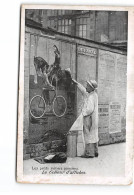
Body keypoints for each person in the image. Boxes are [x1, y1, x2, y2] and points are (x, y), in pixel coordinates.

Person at [72, 79, 99, 158]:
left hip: (88, 117)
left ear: (91, 88)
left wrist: (83, 113)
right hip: (94, 118)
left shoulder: (91, 97)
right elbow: (83, 90)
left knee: (87, 134)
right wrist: (77, 83)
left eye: (87, 86)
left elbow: (89, 109)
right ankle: (95, 151)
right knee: (94, 134)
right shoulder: (94, 94)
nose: (86, 87)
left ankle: (89, 153)